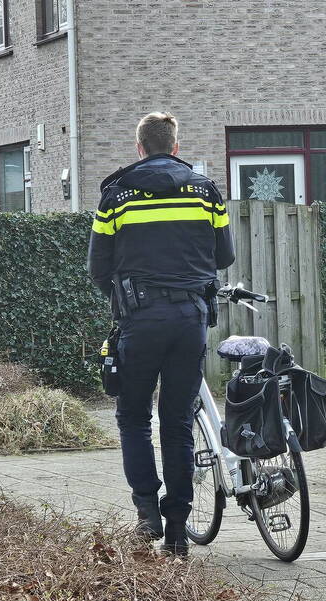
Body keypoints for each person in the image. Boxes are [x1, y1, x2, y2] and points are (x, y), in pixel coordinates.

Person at [88, 112, 235, 556]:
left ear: (139, 148)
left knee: (133, 417)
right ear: (175, 146)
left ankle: (147, 512)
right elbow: (224, 255)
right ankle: (177, 532)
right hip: (190, 319)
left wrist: (124, 296)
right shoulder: (205, 191)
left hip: (139, 318)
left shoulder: (116, 196)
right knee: (176, 423)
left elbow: (98, 268)